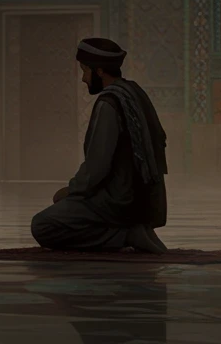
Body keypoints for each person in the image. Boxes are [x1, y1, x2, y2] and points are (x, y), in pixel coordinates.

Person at [30, 37, 169, 252]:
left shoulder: (109, 103)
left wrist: (73, 190)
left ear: (100, 71)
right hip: (143, 200)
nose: (83, 79)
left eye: (85, 71)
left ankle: (125, 234)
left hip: (119, 200)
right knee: (64, 205)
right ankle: (132, 229)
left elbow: (97, 165)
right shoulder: (134, 93)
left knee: (42, 225)